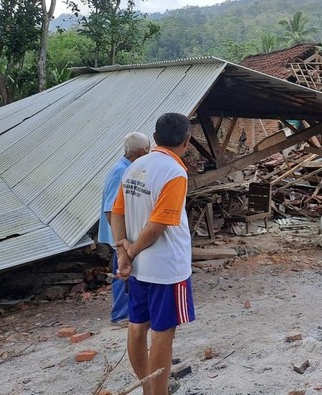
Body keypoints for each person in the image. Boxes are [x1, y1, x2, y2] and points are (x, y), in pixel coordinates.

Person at [111, 113, 195, 395]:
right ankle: (155, 392)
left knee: (137, 327)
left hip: (140, 268)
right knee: (163, 333)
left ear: (155, 138)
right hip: (166, 267)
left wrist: (123, 252)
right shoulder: (174, 172)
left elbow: (117, 212)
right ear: (187, 140)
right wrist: (131, 251)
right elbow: (158, 225)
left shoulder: (135, 166)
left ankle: (148, 386)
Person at [99, 132, 150, 324]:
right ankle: (120, 315)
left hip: (123, 235)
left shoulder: (125, 169)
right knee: (123, 273)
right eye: (147, 151)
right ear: (139, 153)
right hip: (120, 236)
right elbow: (111, 210)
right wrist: (120, 242)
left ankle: (126, 312)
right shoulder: (121, 172)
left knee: (126, 272)